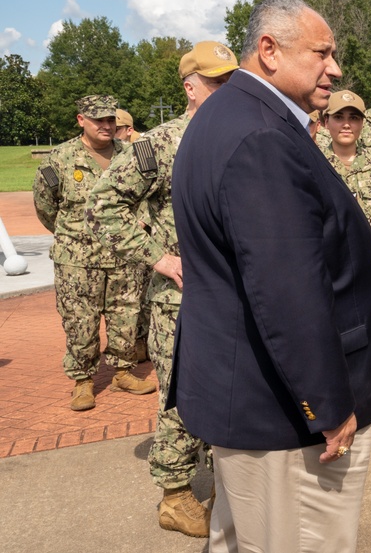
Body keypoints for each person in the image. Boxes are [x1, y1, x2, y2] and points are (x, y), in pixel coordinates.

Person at [169, 0, 371, 552]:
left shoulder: (227, 114)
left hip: (250, 394)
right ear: (269, 50)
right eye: (321, 52)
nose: (335, 68)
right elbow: (287, 292)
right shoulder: (263, 136)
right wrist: (331, 404)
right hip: (283, 417)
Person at [87, 41, 237, 538]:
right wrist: (159, 257)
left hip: (233, 296)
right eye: (214, 82)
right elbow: (104, 203)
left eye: (229, 81)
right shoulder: (161, 144)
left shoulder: (240, 135)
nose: (224, 91)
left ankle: (225, 485)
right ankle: (175, 494)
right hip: (181, 299)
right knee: (180, 392)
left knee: (231, 389)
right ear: (190, 87)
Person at [33, 94, 155, 412]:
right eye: (98, 119)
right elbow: (46, 207)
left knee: (126, 318)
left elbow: (148, 196)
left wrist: (138, 225)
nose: (106, 125)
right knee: (80, 322)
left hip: (124, 257)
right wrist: (74, 236)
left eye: (110, 119)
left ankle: (123, 372)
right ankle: (83, 381)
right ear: (81, 120)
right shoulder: (59, 158)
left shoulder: (132, 155)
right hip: (77, 261)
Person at [321, 90, 371, 451]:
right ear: (326, 123)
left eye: (353, 118)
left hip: (369, 275)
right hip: (329, 275)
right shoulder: (313, 165)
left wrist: (370, 255)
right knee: (332, 345)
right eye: (339, 117)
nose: (346, 124)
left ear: (363, 124)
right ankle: (336, 412)